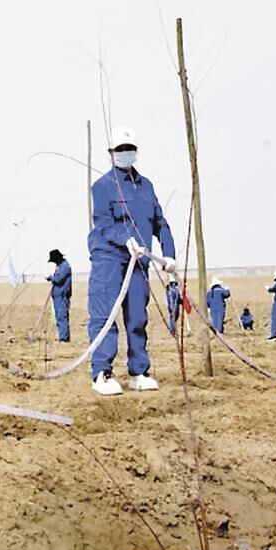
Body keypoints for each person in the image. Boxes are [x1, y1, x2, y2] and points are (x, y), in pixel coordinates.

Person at [86, 126, 175, 396]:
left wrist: (169, 255)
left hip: (139, 263)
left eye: (129, 149)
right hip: (109, 260)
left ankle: (139, 371)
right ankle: (101, 373)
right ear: (111, 153)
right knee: (105, 316)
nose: (125, 153)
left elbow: (160, 222)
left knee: (137, 317)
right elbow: (102, 223)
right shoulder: (101, 187)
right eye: (120, 149)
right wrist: (125, 238)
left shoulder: (146, 186)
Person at [46, 248, 72, 343]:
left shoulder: (65, 266)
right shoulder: (60, 266)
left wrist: (50, 277)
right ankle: (62, 336)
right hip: (57, 296)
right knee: (59, 317)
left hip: (62, 296)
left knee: (62, 316)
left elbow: (59, 279)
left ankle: (64, 338)